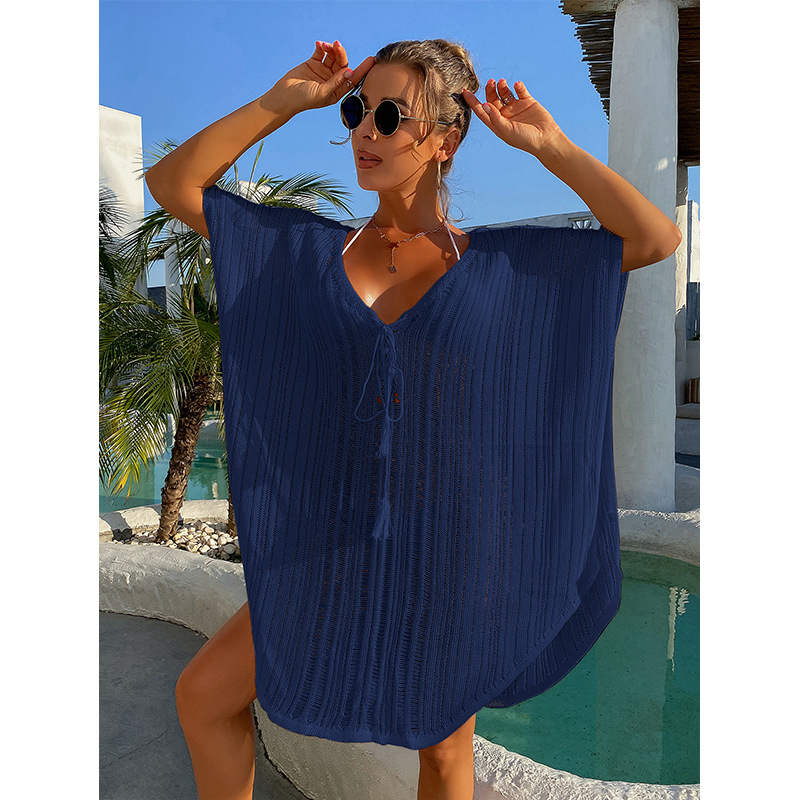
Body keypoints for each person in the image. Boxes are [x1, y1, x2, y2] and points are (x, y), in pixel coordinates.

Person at [145, 38, 681, 800]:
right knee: (203, 695)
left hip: (452, 549)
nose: (366, 130)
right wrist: (284, 101)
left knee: (443, 753)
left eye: (391, 116)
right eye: (359, 110)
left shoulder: (502, 268)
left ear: (445, 140)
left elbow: (656, 238)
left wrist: (550, 146)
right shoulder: (305, 252)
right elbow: (172, 183)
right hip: (323, 542)